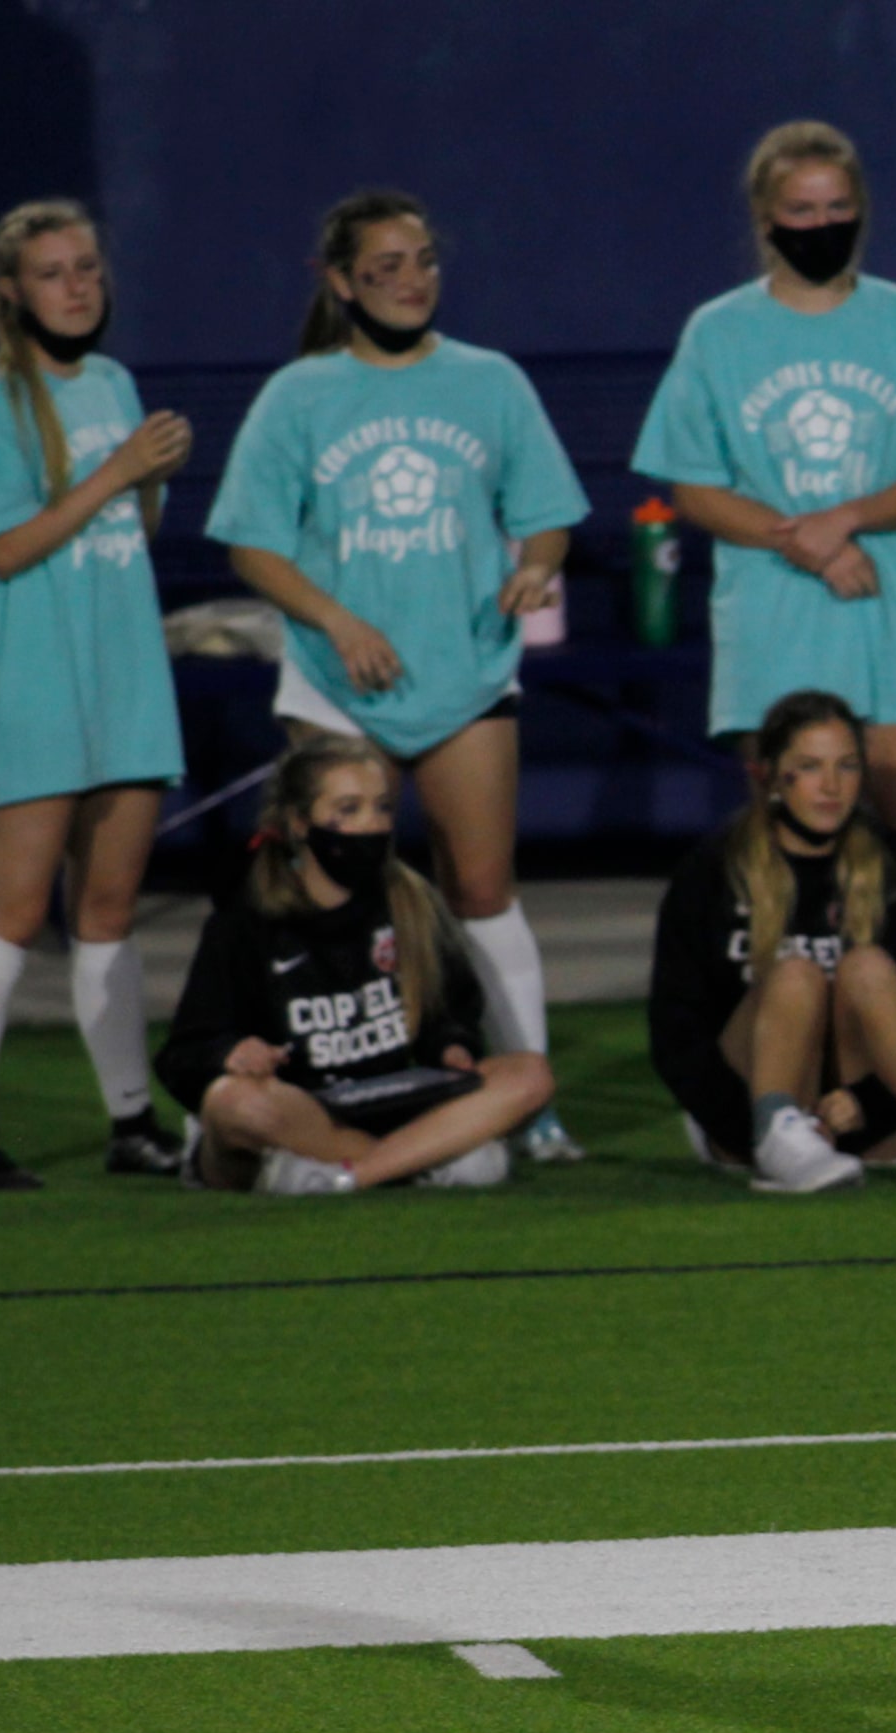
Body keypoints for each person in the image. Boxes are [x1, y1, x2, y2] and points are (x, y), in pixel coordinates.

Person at [207, 189, 594, 1157]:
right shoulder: (300, 394)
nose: (412, 281)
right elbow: (252, 549)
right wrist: (338, 622)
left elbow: (546, 512)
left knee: (481, 888)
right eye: (386, 267)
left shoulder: (490, 381)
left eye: (423, 259)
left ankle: (528, 1103)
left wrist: (537, 565)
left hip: (464, 676)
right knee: (322, 897)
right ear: (341, 283)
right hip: (339, 685)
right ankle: (268, 1093)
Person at [636, 120, 896, 918]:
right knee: (787, 874)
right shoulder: (718, 332)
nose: (821, 225)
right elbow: (695, 486)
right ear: (764, 218)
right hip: (774, 622)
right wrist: (816, 549)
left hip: (890, 617)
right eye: (800, 208)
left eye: (836, 206)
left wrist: (847, 518)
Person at [0, 200, 191, 1189]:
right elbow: (6, 547)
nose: (76, 286)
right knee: (12, 906)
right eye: (52, 272)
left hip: (123, 679)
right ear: (12, 293)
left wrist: (148, 480)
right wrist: (120, 470)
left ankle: (132, 1122)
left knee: (112, 908)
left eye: (86, 267)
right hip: (29, 682)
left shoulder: (115, 383)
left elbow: (126, 539)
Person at [155, 735, 553, 1194]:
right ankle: (424, 1158)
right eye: (348, 809)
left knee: (529, 1074)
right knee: (235, 1106)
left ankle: (351, 1175)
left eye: (381, 808)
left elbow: (452, 1011)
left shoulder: (411, 901)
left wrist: (450, 1047)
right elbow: (183, 1054)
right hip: (297, 1109)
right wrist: (230, 1052)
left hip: (388, 1098)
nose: (370, 825)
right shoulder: (246, 921)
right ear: (299, 822)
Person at [648, 690, 896, 1193]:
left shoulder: (890, 863)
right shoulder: (713, 869)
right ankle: (780, 1133)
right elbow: (675, 1032)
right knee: (795, 975)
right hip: (746, 1117)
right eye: (809, 767)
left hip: (863, 1116)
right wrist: (744, 1125)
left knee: (869, 966)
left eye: (847, 766)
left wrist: (869, 1105)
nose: (831, 786)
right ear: (768, 775)